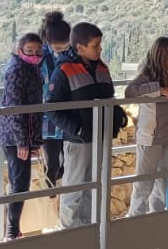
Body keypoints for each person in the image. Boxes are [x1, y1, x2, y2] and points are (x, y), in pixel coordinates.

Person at [45, 22, 124, 228]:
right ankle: (70, 232)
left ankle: (91, 229)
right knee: (74, 189)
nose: (100, 49)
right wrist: (77, 129)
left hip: (100, 137)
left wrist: (118, 117)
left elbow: (109, 97)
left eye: (100, 45)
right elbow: (51, 108)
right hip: (78, 141)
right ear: (80, 47)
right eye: (95, 46)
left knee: (94, 186)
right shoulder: (64, 70)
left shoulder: (102, 68)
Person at [124, 37, 168, 216]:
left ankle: (157, 217)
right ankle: (135, 219)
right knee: (144, 182)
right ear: (161, 56)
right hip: (150, 136)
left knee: (161, 180)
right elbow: (130, 92)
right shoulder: (147, 75)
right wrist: (158, 90)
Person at [0, 32, 44, 241]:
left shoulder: (32, 69)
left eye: (38, 51)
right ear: (20, 50)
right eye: (30, 51)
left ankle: (14, 230)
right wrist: (22, 141)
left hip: (23, 134)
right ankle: (12, 232)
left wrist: (33, 140)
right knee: (19, 182)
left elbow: (34, 108)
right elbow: (14, 109)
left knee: (21, 181)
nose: (34, 55)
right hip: (14, 135)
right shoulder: (16, 70)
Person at [37, 10, 72, 189]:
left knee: (67, 165)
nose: (63, 51)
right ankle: (50, 199)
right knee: (51, 167)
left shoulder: (72, 54)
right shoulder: (40, 58)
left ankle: (61, 198)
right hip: (47, 120)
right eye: (59, 48)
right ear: (49, 42)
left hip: (67, 119)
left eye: (66, 47)